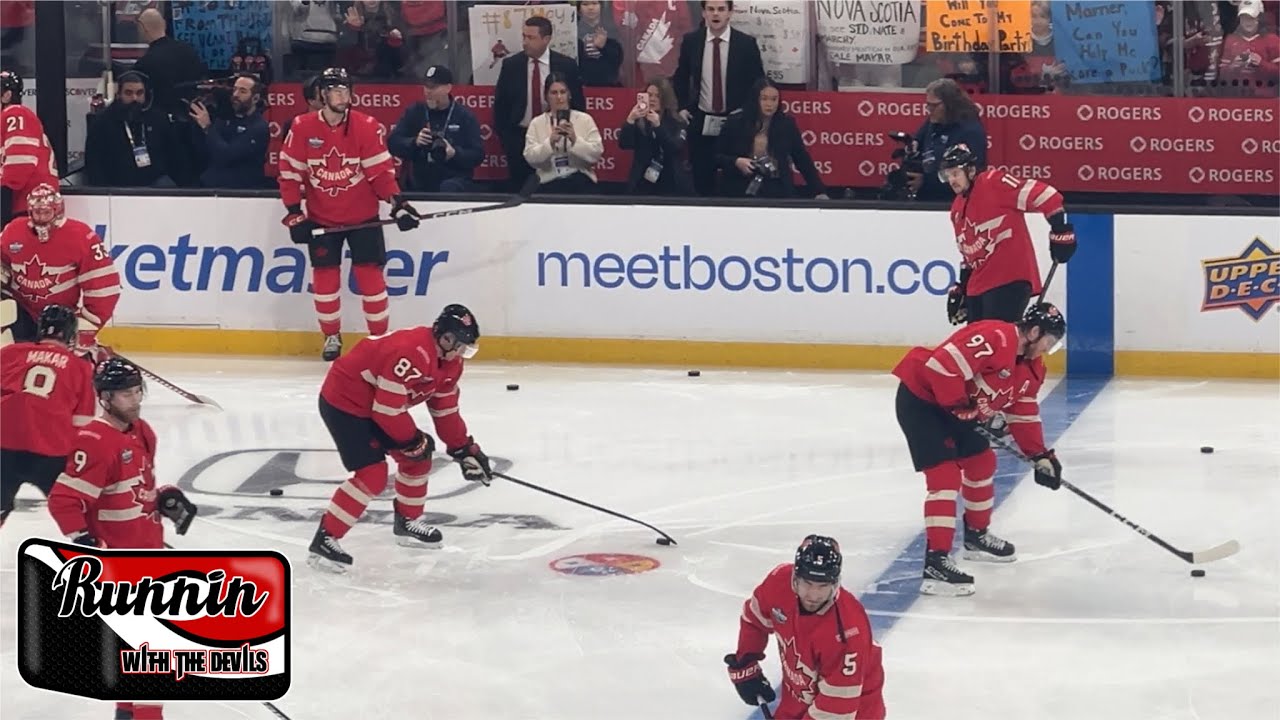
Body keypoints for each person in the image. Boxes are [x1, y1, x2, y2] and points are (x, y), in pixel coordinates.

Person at [46, 356, 196, 720]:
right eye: (125, 395)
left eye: (136, 391)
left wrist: (166, 497)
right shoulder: (94, 442)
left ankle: (127, 715)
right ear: (105, 398)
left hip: (148, 556)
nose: (135, 399)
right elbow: (64, 499)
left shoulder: (142, 431)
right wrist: (83, 544)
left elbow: (135, 488)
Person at [891, 303, 1068, 596]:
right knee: (944, 477)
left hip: (957, 409)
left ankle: (976, 535)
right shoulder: (994, 337)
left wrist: (1040, 455)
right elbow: (940, 366)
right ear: (1034, 332)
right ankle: (936, 562)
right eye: (1049, 342)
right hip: (922, 401)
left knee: (981, 462)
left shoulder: (1032, 368)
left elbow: (1022, 413)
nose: (1047, 350)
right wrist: (959, 406)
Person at [309, 303, 493, 572]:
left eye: (467, 349)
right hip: (344, 402)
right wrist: (412, 440)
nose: (461, 354)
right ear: (445, 338)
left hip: (378, 405)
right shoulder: (410, 353)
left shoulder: (451, 364)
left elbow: (445, 411)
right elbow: (386, 412)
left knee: (418, 457)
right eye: (460, 346)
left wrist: (464, 449)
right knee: (372, 474)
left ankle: (408, 522)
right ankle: (326, 539)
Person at [278, 66, 421, 362]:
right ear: (322, 94)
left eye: (346, 91)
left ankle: (379, 340)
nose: (344, 97)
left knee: (371, 279)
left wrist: (398, 204)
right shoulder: (303, 127)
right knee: (325, 279)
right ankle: (331, 334)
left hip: (363, 217)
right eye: (336, 91)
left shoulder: (367, 126)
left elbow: (381, 173)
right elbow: (289, 174)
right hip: (322, 218)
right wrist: (294, 214)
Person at [726, 535, 886, 720]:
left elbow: (835, 709)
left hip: (853, 712)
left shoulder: (847, 632)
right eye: (807, 584)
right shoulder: (779, 582)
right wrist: (746, 660)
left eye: (823, 586)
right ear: (795, 577)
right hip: (798, 700)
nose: (813, 595)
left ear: (835, 584)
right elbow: (754, 618)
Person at [939, 144, 1076, 326]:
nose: (952, 180)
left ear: (971, 170)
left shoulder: (993, 182)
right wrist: (962, 287)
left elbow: (1046, 195)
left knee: (999, 343)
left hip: (1009, 280)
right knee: (976, 350)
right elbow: (968, 254)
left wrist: (1060, 228)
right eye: (948, 175)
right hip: (977, 286)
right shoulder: (957, 208)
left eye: (955, 173)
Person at [0, 305, 95, 525]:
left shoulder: (10, 353)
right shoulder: (80, 368)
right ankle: (93, 547)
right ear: (70, 334)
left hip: (4, 446)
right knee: (76, 510)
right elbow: (82, 424)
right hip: (52, 453)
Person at [0, 183, 121, 353]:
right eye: (37, 212)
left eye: (46, 212)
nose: (41, 218)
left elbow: (104, 289)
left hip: (60, 319)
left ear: (57, 211)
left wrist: (84, 330)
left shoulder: (80, 236)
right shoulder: (13, 231)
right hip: (22, 315)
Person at [671, 1, 765, 195]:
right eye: (711, 9)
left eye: (721, 9)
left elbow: (757, 83)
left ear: (730, 12)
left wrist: (746, 112)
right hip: (702, 119)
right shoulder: (691, 41)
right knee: (702, 178)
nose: (716, 14)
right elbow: (681, 76)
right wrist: (682, 106)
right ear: (704, 12)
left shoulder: (745, 44)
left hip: (735, 122)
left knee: (734, 180)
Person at [492, 16, 584, 192]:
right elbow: (500, 107)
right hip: (519, 138)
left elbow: (578, 105)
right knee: (520, 192)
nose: (525, 42)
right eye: (524, 36)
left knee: (554, 191)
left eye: (531, 38)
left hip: (556, 138)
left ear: (546, 39)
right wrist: (507, 140)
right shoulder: (511, 65)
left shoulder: (566, 65)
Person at [716, 78, 827, 199]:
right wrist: (736, 162)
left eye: (774, 99)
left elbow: (802, 159)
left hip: (778, 189)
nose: (769, 104)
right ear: (755, 100)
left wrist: (819, 191)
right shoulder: (736, 123)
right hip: (740, 188)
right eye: (764, 99)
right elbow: (716, 156)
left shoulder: (786, 125)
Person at [388, 65, 483, 193]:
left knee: (449, 187)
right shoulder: (415, 111)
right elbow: (393, 143)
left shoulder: (463, 116)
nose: (428, 91)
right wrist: (414, 142)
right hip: (420, 179)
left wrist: (455, 153)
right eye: (426, 86)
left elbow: (478, 155)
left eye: (433, 87)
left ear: (448, 88)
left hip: (454, 179)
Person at [523, 73, 603, 194]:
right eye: (554, 93)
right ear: (546, 97)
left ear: (569, 95)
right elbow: (531, 158)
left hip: (580, 178)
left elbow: (596, 154)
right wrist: (549, 143)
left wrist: (575, 140)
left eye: (563, 92)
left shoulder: (584, 119)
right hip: (547, 180)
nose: (559, 97)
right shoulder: (537, 123)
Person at [909, 78, 986, 202]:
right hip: (927, 199)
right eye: (928, 104)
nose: (929, 110)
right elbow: (917, 142)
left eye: (934, 105)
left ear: (950, 104)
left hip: (953, 202)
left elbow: (966, 177)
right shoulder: (933, 121)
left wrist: (925, 181)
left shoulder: (970, 131)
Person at [0, 70, 58, 227]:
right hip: (27, 205)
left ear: (7, 95)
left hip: (29, 206)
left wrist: (3, 199)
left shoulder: (15, 113)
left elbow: (20, 161)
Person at [191, 73, 269, 189]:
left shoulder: (259, 127)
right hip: (210, 187)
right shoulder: (223, 119)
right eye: (235, 90)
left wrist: (208, 127)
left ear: (255, 98)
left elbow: (227, 155)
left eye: (242, 91)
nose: (235, 95)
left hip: (241, 191)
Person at [619, 76, 693, 196]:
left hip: (670, 179)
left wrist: (658, 127)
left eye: (657, 96)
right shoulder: (639, 121)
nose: (652, 99)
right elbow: (624, 144)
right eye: (649, 95)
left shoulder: (678, 122)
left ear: (665, 99)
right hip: (642, 180)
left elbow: (675, 147)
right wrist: (630, 120)